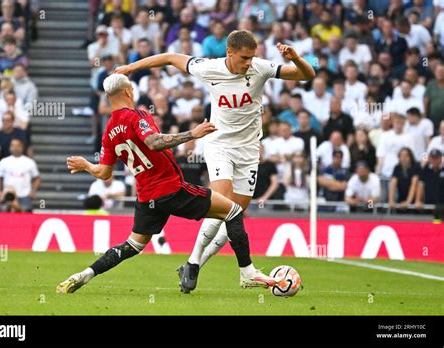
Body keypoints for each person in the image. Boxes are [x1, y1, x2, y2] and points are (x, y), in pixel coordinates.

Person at [114, 30, 315, 283]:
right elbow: (169, 57)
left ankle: (194, 264)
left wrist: (295, 57)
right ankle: (196, 264)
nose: (249, 63)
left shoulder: (260, 68)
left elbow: (308, 75)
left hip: (249, 150)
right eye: (244, 58)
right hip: (219, 144)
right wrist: (131, 67)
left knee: (234, 216)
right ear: (229, 52)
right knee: (225, 206)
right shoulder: (208, 68)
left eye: (252, 57)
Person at [56, 74, 280, 295]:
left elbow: (104, 173)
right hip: (170, 189)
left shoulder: (108, 133)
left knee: (132, 246)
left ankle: (84, 274)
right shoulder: (137, 116)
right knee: (233, 211)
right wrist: (193, 134)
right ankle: (247, 273)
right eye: (132, 89)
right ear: (127, 91)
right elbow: (153, 142)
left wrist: (86, 165)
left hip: (146, 197)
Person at [0, 138, 41, 212]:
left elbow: (37, 178)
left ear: (22, 147)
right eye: (12, 145)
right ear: (9, 147)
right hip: (8, 195)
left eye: (17, 146)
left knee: (26, 217)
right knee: (3, 218)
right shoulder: (4, 161)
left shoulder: (29, 162)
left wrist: (32, 191)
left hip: (24, 195)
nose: (15, 148)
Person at [415, 149, 444, 220]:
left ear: (441, 158)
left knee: (439, 226)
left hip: (442, 206)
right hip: (428, 205)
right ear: (430, 159)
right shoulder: (426, 169)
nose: (434, 160)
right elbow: (421, 184)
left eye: (436, 158)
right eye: (432, 158)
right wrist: (418, 200)